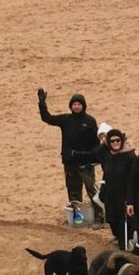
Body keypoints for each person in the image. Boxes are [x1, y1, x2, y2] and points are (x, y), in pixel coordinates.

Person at [37, 88, 103, 219]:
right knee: (73, 192)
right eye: (74, 104)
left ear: (83, 106)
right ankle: (77, 217)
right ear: (71, 106)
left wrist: (93, 156)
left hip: (86, 163)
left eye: (79, 104)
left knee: (91, 190)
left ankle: (99, 216)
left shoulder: (90, 121)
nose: (76, 106)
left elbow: (96, 143)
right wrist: (42, 104)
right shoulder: (65, 119)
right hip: (70, 162)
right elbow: (47, 118)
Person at [95, 128, 135, 248]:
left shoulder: (130, 157)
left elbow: (133, 180)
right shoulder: (108, 156)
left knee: (125, 227)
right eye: (112, 141)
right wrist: (103, 193)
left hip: (124, 198)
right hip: (111, 197)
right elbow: (106, 175)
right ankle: (120, 241)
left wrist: (130, 200)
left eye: (117, 140)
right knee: (112, 222)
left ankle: (124, 248)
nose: (115, 143)